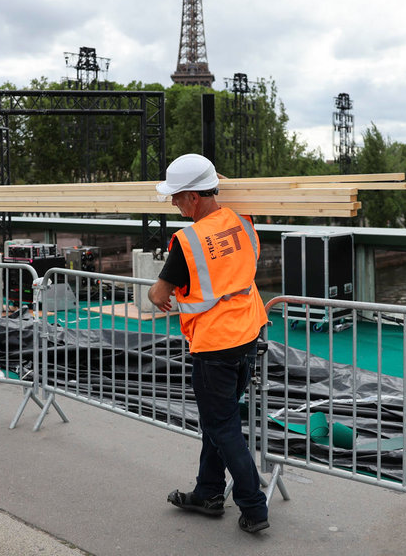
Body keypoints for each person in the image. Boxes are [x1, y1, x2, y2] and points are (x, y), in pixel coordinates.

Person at [148, 154, 270, 534]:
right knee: (219, 422)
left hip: (215, 344)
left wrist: (161, 294)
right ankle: (209, 492)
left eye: (177, 196)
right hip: (249, 335)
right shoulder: (242, 222)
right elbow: (240, 270)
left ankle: (253, 506)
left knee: (223, 427)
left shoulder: (187, 241)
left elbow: (157, 294)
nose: (173, 203)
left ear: (194, 197)